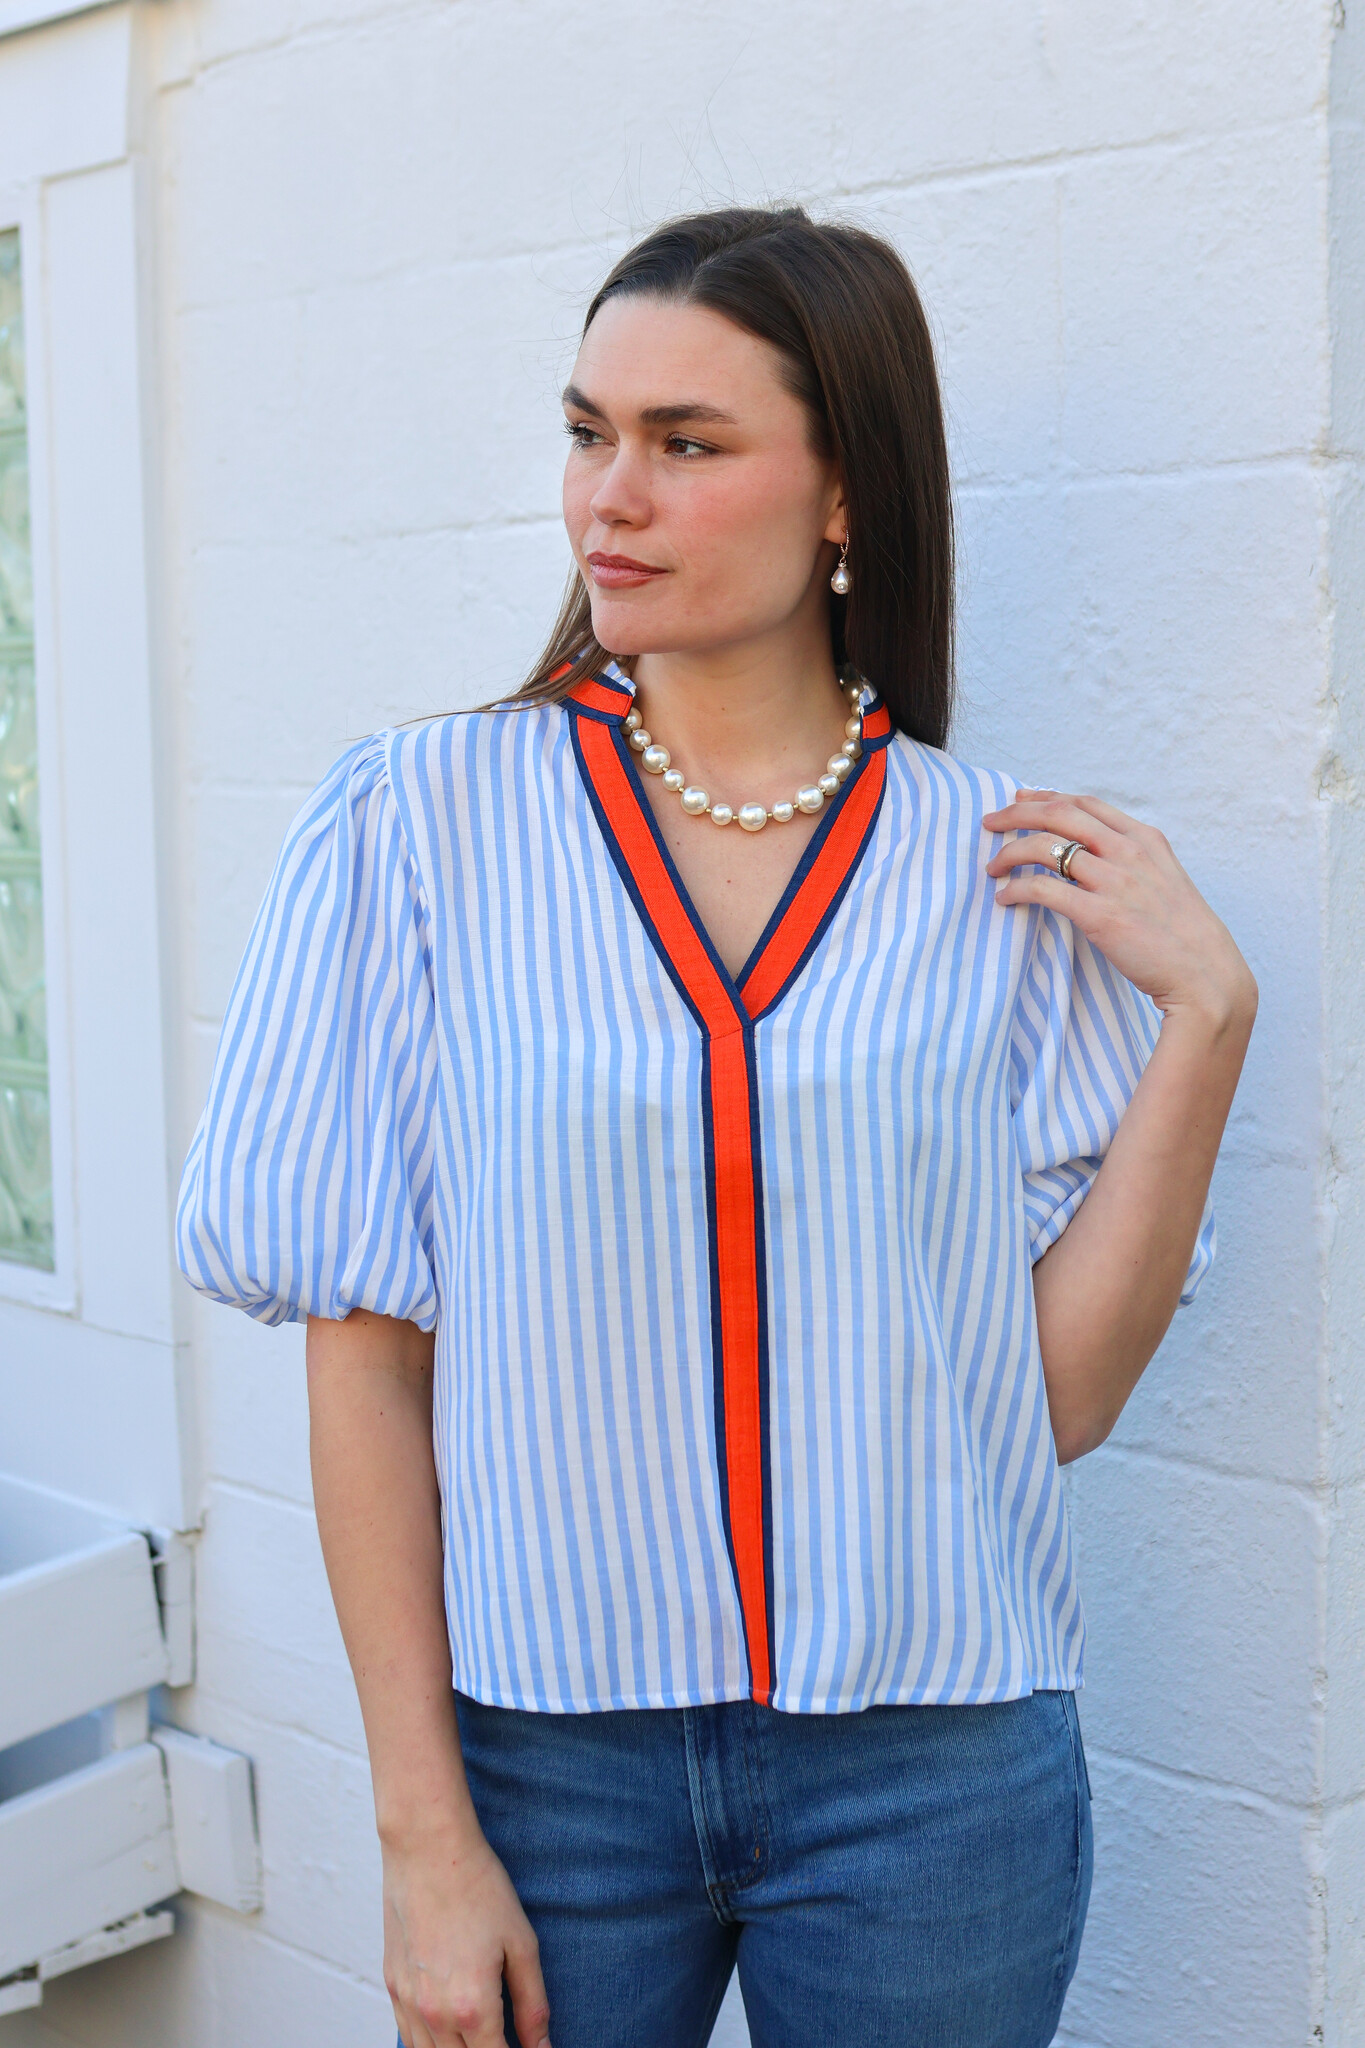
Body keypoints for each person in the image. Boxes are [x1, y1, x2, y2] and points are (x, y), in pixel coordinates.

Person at [176, 206, 1256, 2048]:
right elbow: (366, 1361)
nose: (610, 496)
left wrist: (1206, 1026)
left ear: (845, 496)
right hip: (547, 1774)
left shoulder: (999, 868)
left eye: (686, 444)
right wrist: (420, 1832)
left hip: (937, 1777)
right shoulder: (416, 825)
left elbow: (1051, 1403)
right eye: (588, 431)